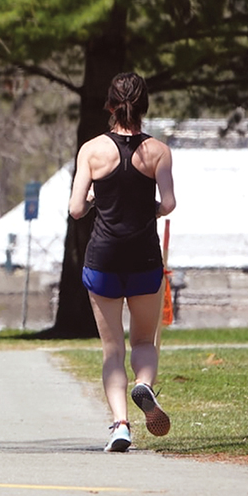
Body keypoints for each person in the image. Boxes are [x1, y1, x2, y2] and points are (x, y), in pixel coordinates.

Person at [68, 72, 176, 453]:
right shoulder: (158, 151)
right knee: (144, 340)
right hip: (145, 256)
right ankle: (143, 384)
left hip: (103, 259)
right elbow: (168, 204)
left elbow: (76, 208)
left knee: (112, 349)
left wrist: (101, 199)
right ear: (144, 106)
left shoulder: (92, 150)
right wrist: (145, 208)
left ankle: (120, 425)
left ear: (110, 105)